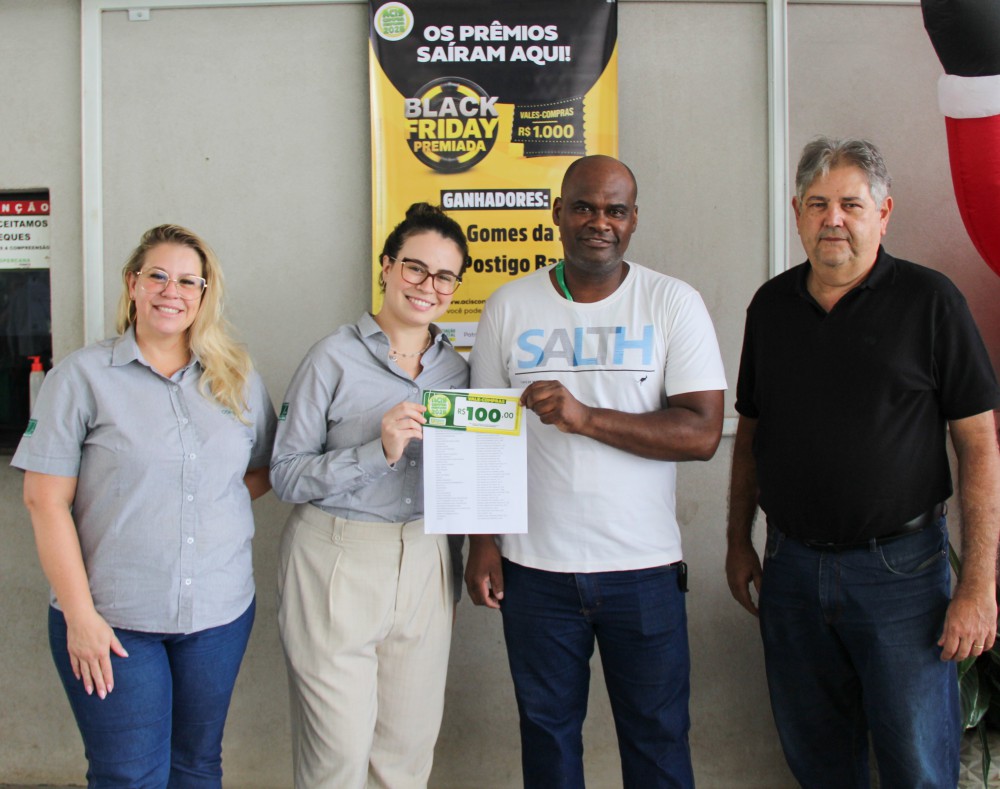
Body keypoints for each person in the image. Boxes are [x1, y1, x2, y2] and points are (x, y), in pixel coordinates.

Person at [726, 137, 1000, 788]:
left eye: (851, 203)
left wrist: (978, 586)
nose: (833, 219)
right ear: (797, 212)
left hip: (902, 576)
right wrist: (738, 540)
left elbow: (979, 444)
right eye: (818, 203)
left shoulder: (931, 302)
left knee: (918, 766)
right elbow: (751, 433)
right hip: (792, 571)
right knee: (818, 761)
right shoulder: (771, 307)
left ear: (884, 212)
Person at [467, 155, 727, 788]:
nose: (599, 222)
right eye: (584, 207)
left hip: (644, 570)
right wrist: (482, 543)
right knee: (548, 744)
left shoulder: (672, 302)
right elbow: (481, 435)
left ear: (634, 220)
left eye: (615, 210)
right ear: (558, 213)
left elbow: (701, 434)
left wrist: (586, 418)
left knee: (658, 743)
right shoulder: (509, 305)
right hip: (535, 572)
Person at [11, 223, 277, 787]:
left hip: (218, 613)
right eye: (157, 276)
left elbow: (258, 470)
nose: (170, 291)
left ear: (204, 294)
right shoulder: (81, 378)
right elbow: (44, 500)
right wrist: (80, 617)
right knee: (129, 776)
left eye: (187, 281)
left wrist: (197, 500)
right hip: (113, 619)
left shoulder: (236, 377)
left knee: (198, 765)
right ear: (132, 284)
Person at [270, 202, 470, 789]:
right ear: (386, 267)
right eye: (415, 268)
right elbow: (285, 475)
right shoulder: (330, 357)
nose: (427, 286)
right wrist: (375, 452)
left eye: (444, 276)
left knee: (405, 757)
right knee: (336, 758)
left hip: (426, 560)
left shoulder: (457, 373)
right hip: (337, 559)